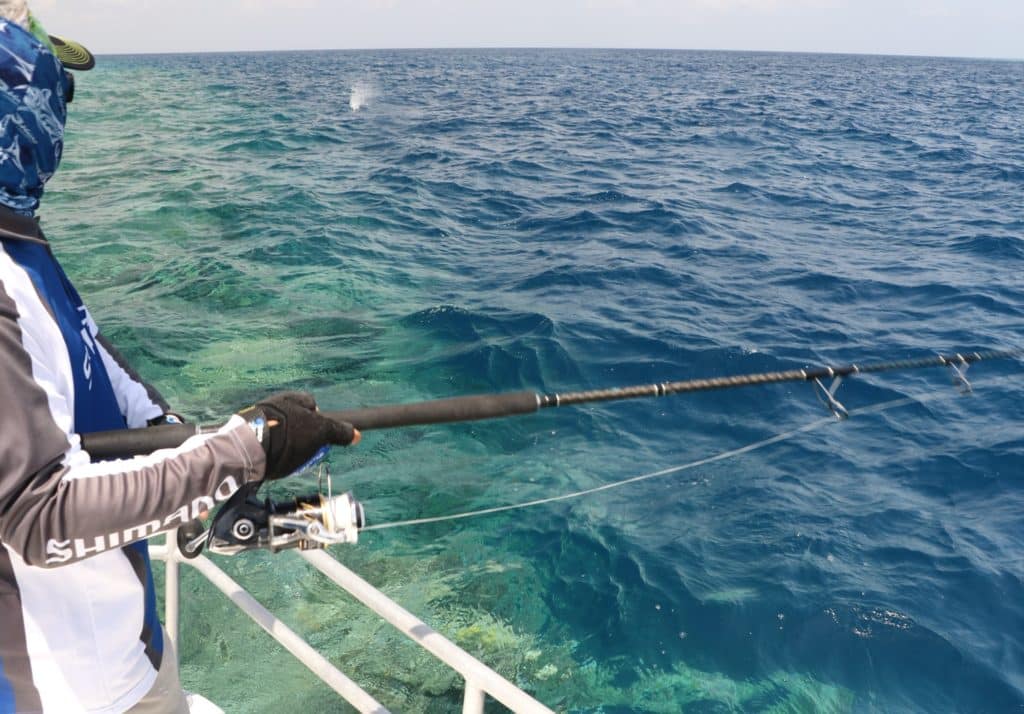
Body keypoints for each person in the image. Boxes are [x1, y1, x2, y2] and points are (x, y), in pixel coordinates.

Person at [0, 4, 360, 713]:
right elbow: (39, 516)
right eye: (55, 83)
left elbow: (111, 383)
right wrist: (242, 452)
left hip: (129, 658)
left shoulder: (24, 248)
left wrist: (212, 458)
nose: (67, 109)